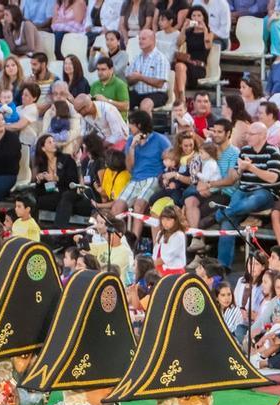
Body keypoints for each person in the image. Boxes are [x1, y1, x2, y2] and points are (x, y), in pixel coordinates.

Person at [214, 122, 280, 270]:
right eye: (247, 133)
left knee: (250, 202)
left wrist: (251, 167)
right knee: (228, 223)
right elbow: (237, 174)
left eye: (251, 134)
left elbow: (272, 178)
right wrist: (240, 170)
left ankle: (223, 213)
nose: (247, 137)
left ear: (262, 136)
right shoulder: (245, 150)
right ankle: (223, 266)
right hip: (243, 189)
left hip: (265, 192)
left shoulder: (273, 152)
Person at [111, 110, 170, 239]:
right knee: (117, 208)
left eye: (130, 124)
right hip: (135, 179)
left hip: (153, 178)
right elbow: (129, 168)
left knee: (139, 206)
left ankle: (133, 242)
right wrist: (132, 147)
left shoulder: (160, 140)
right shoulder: (131, 141)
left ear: (139, 125)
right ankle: (117, 241)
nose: (129, 127)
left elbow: (171, 159)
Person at [173, 5, 213, 102]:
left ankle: (179, 101)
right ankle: (181, 97)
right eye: (194, 16)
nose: (196, 18)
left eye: (199, 16)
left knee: (179, 67)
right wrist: (183, 28)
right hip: (187, 64)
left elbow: (207, 45)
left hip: (198, 67)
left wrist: (204, 29)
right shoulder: (189, 32)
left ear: (204, 18)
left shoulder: (209, 33)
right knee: (177, 67)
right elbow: (178, 43)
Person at [126, 29, 168, 110]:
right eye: (139, 39)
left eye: (143, 39)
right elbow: (128, 80)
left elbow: (159, 83)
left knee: (145, 105)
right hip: (137, 93)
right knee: (120, 101)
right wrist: (134, 79)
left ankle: (145, 123)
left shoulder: (160, 58)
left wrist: (140, 77)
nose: (140, 41)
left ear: (152, 40)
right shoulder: (136, 58)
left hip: (156, 93)